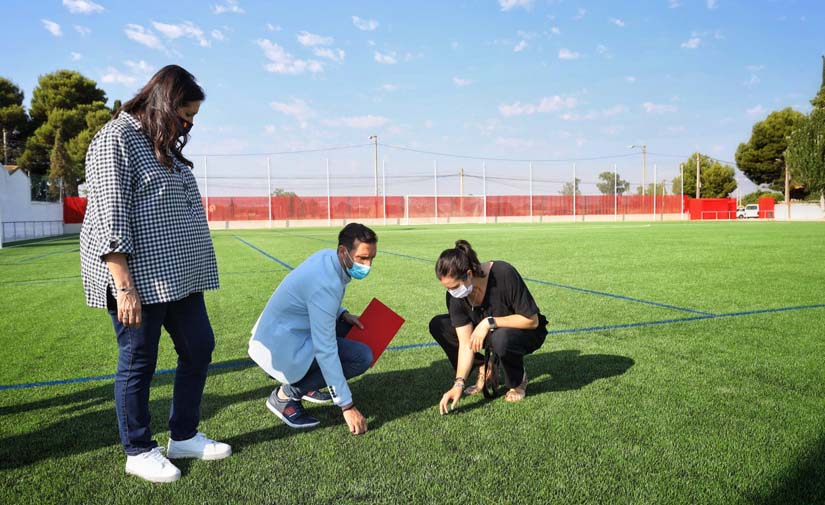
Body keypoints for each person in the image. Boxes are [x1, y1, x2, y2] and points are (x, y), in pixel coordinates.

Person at [79, 65, 230, 483]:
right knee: (139, 361)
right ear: (165, 104)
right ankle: (139, 449)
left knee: (199, 347)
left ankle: (182, 435)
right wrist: (123, 286)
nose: (189, 124)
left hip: (179, 278)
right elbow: (110, 215)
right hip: (137, 281)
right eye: (186, 114)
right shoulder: (117, 138)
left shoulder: (160, 141)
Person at [248, 223, 377, 435]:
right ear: (343, 251)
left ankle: (307, 384)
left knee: (347, 329)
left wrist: (342, 314)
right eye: (362, 258)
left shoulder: (329, 257)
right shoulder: (326, 284)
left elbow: (313, 301)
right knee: (361, 356)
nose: (368, 265)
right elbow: (325, 349)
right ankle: (285, 395)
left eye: (372, 258)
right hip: (282, 347)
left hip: (282, 334)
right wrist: (347, 405)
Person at [430, 240, 548, 415]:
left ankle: (517, 381)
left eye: (454, 287)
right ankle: (485, 367)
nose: (452, 292)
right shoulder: (454, 296)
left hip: (526, 332)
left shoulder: (503, 273)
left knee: (501, 338)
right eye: (447, 289)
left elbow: (532, 321)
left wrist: (489, 322)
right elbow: (465, 343)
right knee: (440, 325)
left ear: (469, 274)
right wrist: (459, 383)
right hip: (491, 334)